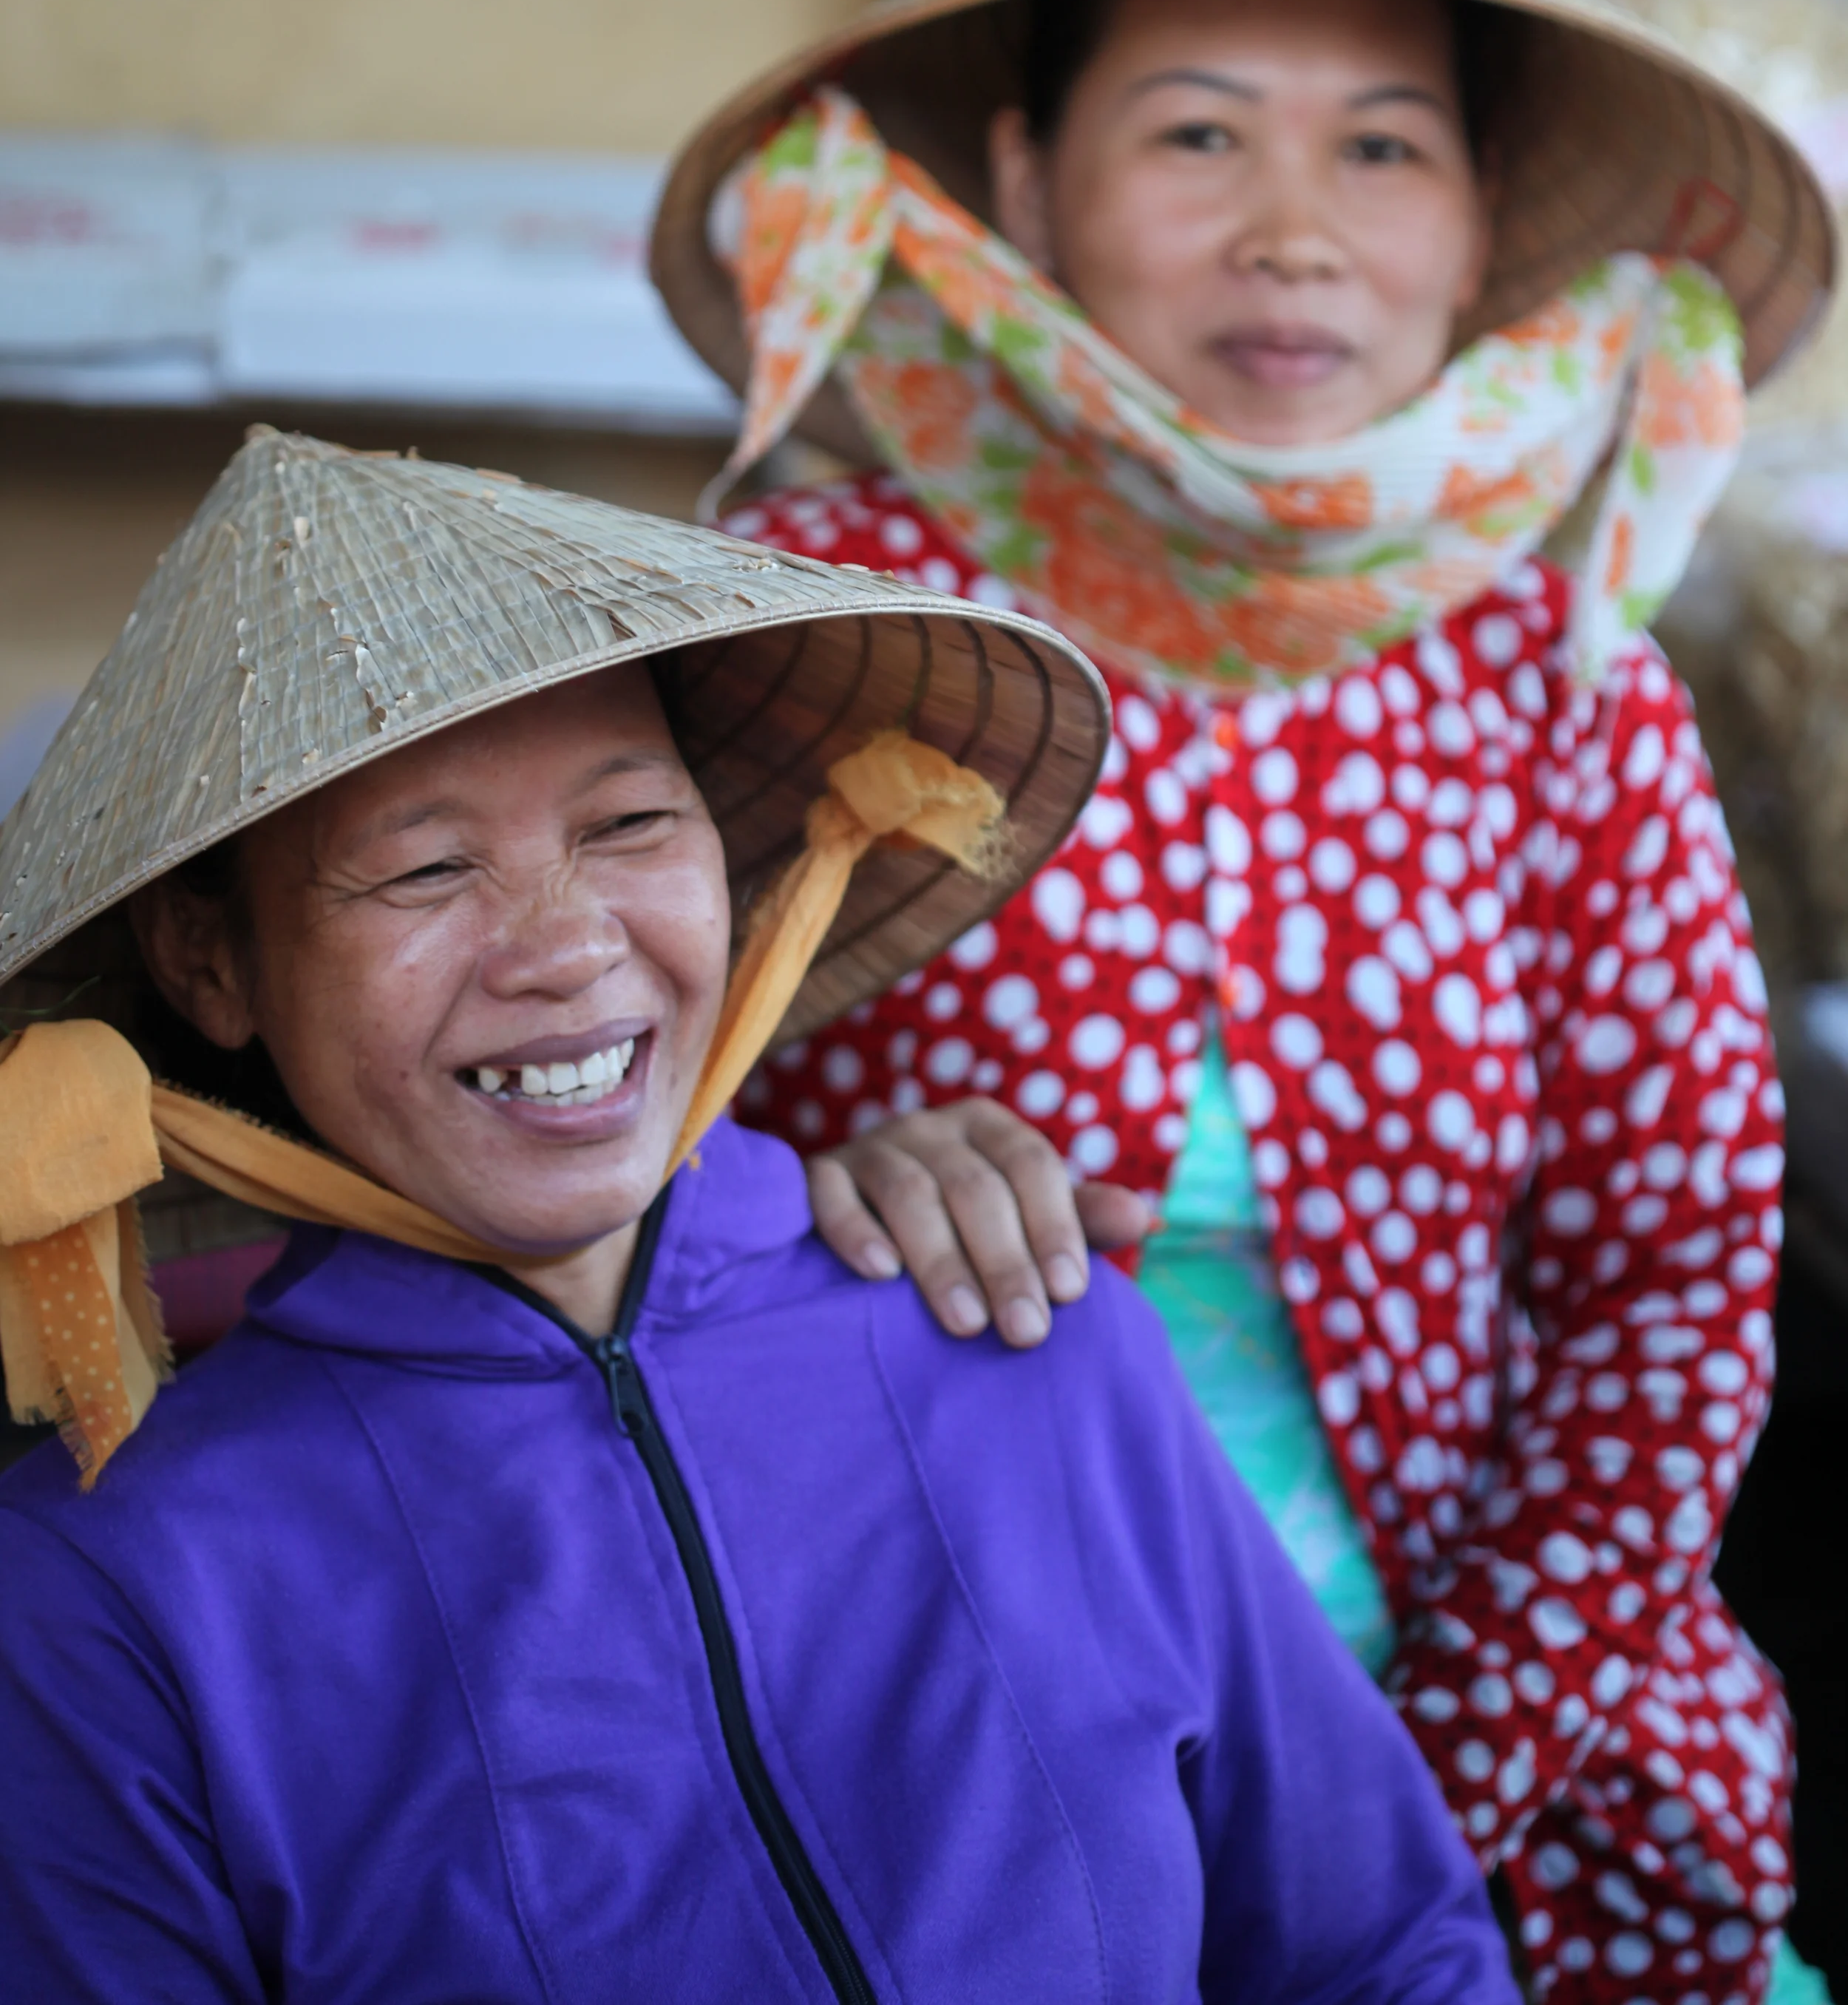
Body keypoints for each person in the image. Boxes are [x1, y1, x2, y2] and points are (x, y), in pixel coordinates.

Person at [648, 0, 1838, 2005]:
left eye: (1381, 147)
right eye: (1198, 135)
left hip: (1516, 1754)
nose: (1296, 229)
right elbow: (570, 1158)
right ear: (1021, 186)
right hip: (918, 1750)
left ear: (1479, 223)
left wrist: (1393, 1803)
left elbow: (1665, 1291)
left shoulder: (1563, 677)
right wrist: (800, 1184)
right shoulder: (835, 638)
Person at [0, 427, 1517, 2005]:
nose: (565, 950)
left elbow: (1386, 1951)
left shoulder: (1024, 1338)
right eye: (427, 869)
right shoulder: (105, 1593)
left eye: (628, 827)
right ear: (212, 967)